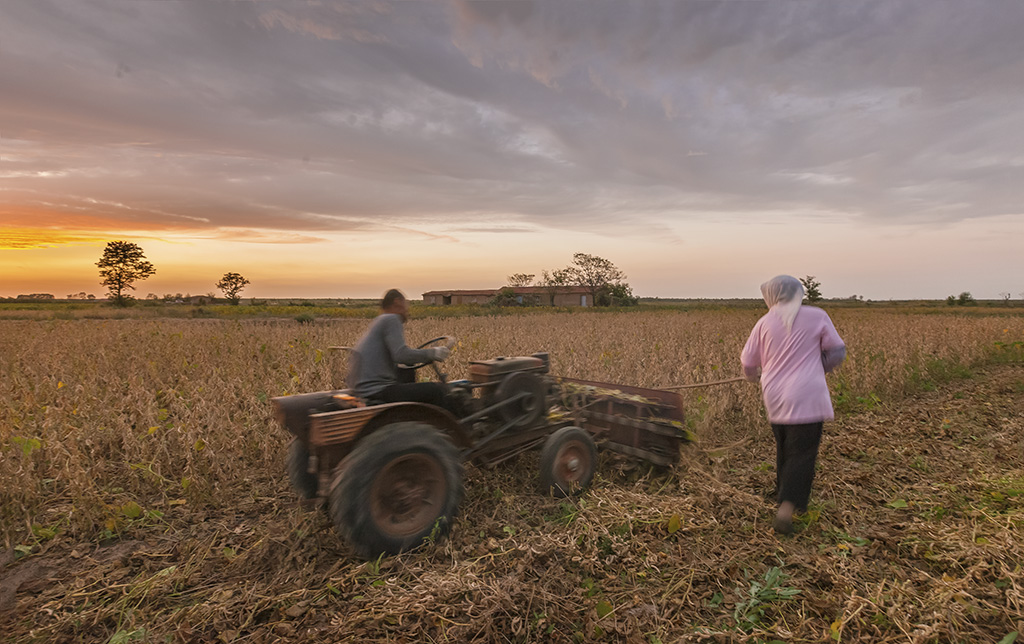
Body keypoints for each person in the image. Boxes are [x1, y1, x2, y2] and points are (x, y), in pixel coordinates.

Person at [740, 275, 846, 535]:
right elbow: (837, 351)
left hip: (775, 394)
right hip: (808, 394)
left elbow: (748, 363)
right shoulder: (817, 315)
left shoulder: (764, 323)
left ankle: (783, 494)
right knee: (803, 452)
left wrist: (754, 377)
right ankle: (787, 508)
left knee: (785, 447)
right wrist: (819, 367)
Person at [349, 289, 452, 410]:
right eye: (406, 304)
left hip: (366, 390)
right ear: (397, 302)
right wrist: (434, 353)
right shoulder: (391, 319)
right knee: (438, 390)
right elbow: (401, 354)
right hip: (378, 390)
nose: (407, 310)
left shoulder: (379, 321)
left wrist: (415, 358)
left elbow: (400, 357)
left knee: (407, 370)